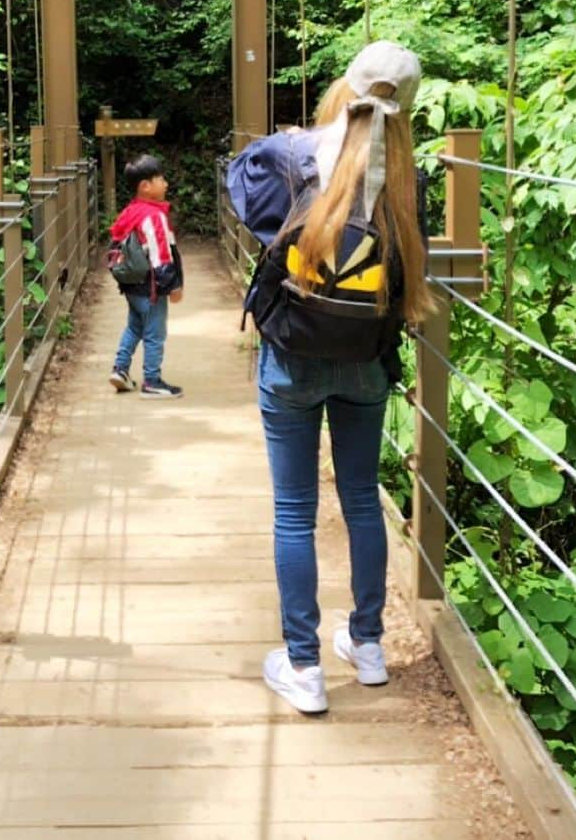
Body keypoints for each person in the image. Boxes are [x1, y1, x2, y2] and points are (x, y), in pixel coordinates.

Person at [227, 41, 432, 714]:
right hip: (366, 361)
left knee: (294, 512)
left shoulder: (292, 159)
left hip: (291, 358)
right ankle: (367, 646)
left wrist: (289, 142)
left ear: (343, 91)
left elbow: (239, 185)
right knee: (361, 498)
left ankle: (305, 665)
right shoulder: (410, 180)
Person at [108, 153, 185, 399]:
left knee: (134, 326)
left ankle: (120, 369)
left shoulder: (131, 211)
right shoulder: (154, 215)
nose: (166, 184)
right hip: (150, 287)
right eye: (160, 179)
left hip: (131, 286)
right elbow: (161, 253)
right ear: (146, 186)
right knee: (155, 333)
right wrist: (172, 286)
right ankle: (152, 381)